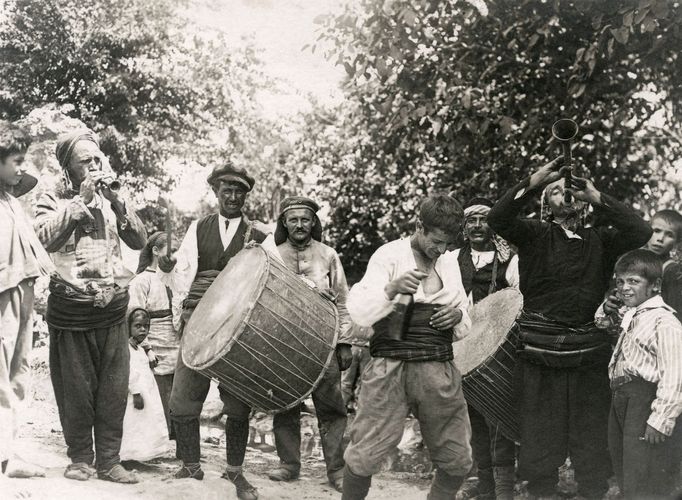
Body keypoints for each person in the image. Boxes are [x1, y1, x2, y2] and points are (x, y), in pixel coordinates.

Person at [487, 158, 652, 499]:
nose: (567, 196)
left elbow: (641, 231)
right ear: (547, 206)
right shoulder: (533, 234)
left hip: (589, 354)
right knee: (540, 442)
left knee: (590, 442)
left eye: (572, 191)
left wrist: (595, 194)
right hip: (538, 353)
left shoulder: (601, 240)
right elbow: (497, 218)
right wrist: (533, 181)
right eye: (558, 192)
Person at [341, 193, 473, 500]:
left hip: (437, 366)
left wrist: (457, 315)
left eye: (446, 244)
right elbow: (358, 311)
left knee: (457, 456)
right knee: (365, 453)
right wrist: (391, 289)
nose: (440, 249)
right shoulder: (389, 255)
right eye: (436, 241)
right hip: (390, 366)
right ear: (419, 226)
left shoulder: (449, 263)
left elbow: (465, 318)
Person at [35, 129, 147, 483]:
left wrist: (120, 204)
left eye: (98, 159)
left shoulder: (112, 197)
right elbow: (42, 240)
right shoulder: (50, 197)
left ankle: (110, 461)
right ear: (68, 168)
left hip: (112, 306)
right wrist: (78, 203)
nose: (96, 167)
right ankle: (81, 458)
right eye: (87, 161)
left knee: (113, 390)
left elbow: (140, 241)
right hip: (72, 307)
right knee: (76, 389)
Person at [158, 162, 268, 500]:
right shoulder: (198, 228)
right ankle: (191, 464)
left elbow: (269, 276)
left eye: (239, 192)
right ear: (216, 193)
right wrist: (179, 307)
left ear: (246, 195)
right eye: (226, 191)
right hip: (199, 318)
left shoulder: (259, 233)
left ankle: (234, 472)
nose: (233, 196)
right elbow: (185, 272)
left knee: (237, 401)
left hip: (239, 325)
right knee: (184, 395)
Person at [265, 196, 351, 491]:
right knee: (284, 404)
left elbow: (342, 300)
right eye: (293, 220)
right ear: (284, 223)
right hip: (285, 343)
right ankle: (289, 464)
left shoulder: (328, 255)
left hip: (324, 343)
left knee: (331, 408)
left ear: (313, 222)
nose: (300, 225)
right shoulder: (272, 255)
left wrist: (345, 343)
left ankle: (337, 470)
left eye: (305, 219)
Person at [600, 249, 682, 498]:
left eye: (633, 281)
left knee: (645, 469)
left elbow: (675, 376)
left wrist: (661, 420)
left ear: (655, 285)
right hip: (622, 399)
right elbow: (602, 322)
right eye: (620, 281)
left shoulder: (664, 322)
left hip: (644, 401)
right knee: (624, 464)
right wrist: (607, 308)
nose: (624, 288)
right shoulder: (633, 313)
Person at [451, 197, 518, 500]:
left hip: (498, 350)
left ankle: (504, 489)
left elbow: (518, 301)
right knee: (472, 416)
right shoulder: (451, 260)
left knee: (500, 416)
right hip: (461, 349)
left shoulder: (511, 259)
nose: (478, 226)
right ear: (463, 227)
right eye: (471, 221)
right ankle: (483, 484)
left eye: (484, 219)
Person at [0, 123, 54, 479]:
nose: (22, 168)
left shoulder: (12, 204)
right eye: (16, 160)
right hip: (3, 294)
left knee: (18, 375)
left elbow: (32, 254)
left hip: (23, 292)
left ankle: (8, 451)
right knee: (0, 377)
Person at [128, 231, 180, 437]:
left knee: (178, 395)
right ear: (156, 251)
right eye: (172, 250)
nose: (176, 256)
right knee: (158, 394)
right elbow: (135, 318)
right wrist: (146, 348)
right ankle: (160, 438)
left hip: (177, 342)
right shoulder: (141, 281)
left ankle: (178, 438)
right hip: (154, 345)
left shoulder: (177, 278)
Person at [119, 308, 170, 462]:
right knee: (133, 424)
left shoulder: (141, 349)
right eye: (138, 326)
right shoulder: (126, 349)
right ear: (128, 327)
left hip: (147, 392)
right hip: (134, 394)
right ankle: (127, 455)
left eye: (146, 326)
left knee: (145, 423)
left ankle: (142, 454)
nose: (143, 330)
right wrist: (135, 392)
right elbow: (127, 372)